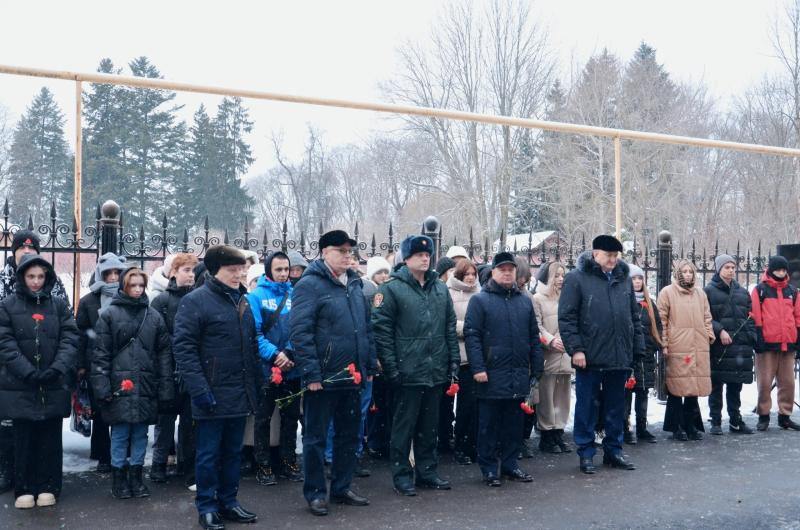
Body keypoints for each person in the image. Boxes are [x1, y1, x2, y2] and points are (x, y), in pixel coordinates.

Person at [173, 245, 261, 529]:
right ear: (215, 271)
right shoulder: (196, 301)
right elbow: (184, 350)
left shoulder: (243, 301)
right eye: (232, 271)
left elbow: (250, 345)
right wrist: (199, 389)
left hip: (238, 390)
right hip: (210, 392)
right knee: (209, 454)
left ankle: (229, 501)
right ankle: (207, 506)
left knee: (232, 452)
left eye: (241, 270)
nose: (239, 275)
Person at [290, 230, 376, 516]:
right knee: (315, 438)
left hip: (352, 376)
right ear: (325, 252)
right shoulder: (310, 285)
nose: (347, 255)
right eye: (341, 250)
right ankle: (315, 492)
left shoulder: (354, 283)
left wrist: (369, 364)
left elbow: (365, 328)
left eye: (350, 250)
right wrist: (312, 375)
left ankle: (341, 487)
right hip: (324, 378)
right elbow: (300, 333)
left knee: (348, 436)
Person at [372, 235, 459, 497]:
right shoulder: (390, 289)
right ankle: (401, 474)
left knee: (429, 426)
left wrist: (452, 361)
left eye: (427, 254)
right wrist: (391, 368)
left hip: (434, 370)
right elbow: (381, 332)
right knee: (403, 427)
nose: (425, 258)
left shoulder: (440, 288)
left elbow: (449, 328)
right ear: (406, 258)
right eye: (418, 254)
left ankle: (427, 471)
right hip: (406, 371)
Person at [558, 235, 643, 474]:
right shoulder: (577, 279)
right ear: (595, 254)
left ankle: (613, 450)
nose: (613, 261)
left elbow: (633, 317)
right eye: (608, 256)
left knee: (616, 407)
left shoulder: (623, 279)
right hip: (590, 356)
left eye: (616, 256)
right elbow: (567, 318)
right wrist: (576, 349)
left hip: (619, 356)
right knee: (587, 407)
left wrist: (637, 349)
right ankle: (586, 452)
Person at [0, 254, 78, 509]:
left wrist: (56, 368)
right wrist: (26, 371)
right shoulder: (8, 305)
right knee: (23, 439)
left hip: (52, 383)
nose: (35, 281)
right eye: (31, 276)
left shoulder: (58, 306)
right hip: (20, 384)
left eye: (40, 276)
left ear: (47, 278)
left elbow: (70, 338)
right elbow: (5, 342)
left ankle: (48, 485)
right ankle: (24, 487)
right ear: (23, 277)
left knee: (50, 438)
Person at [92, 267, 175, 500]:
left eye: (141, 285)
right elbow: (100, 354)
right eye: (133, 285)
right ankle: (119, 478)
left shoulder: (153, 316)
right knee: (119, 433)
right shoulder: (109, 315)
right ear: (124, 287)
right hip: (120, 384)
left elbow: (163, 355)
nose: (138, 289)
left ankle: (136, 477)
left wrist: (165, 387)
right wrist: (103, 387)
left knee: (140, 434)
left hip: (146, 384)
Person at [464, 252, 543, 487]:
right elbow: (472, 336)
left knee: (513, 424)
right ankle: (489, 468)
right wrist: (478, 367)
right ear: (494, 272)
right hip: (490, 373)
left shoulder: (524, 301)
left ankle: (510, 465)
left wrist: (536, 365)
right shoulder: (480, 300)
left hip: (518, 372)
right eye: (503, 269)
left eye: (511, 269)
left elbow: (533, 335)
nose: (507, 273)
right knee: (488, 424)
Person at [248, 251, 303, 486]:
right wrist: (275, 354)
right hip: (266, 368)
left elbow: (302, 327)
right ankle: (263, 464)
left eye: (286, 269)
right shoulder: (256, 296)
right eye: (278, 269)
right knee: (264, 418)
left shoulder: (296, 294)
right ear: (269, 270)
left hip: (292, 366)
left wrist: (289, 352)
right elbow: (255, 333)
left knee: (291, 418)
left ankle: (288, 461)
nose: (283, 274)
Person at [76, 253, 129, 475]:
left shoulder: (127, 297)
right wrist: (81, 365)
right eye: (109, 273)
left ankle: (121, 454)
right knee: (99, 411)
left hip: (123, 361)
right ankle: (102, 455)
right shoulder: (89, 300)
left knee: (122, 409)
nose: (113, 277)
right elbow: (79, 334)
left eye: (117, 272)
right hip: (96, 362)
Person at [149, 253, 198, 484]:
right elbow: (155, 337)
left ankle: (187, 466)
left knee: (190, 423)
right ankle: (158, 464)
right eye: (186, 270)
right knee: (165, 421)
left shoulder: (199, 299)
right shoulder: (161, 301)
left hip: (191, 369)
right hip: (167, 369)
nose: (190, 275)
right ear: (173, 272)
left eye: (193, 270)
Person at [657, 259, 714, 442]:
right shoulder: (667, 292)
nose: (688, 274)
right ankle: (677, 427)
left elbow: (707, 316)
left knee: (693, 387)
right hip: (678, 346)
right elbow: (662, 321)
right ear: (678, 273)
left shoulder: (700, 293)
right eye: (685, 271)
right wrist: (664, 344)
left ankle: (691, 425)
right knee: (677, 387)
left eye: (691, 271)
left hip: (698, 345)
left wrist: (708, 334)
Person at [704, 255, 757, 435]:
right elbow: (705, 317)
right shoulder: (708, 291)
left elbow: (750, 317)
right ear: (719, 269)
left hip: (739, 346)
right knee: (716, 384)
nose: (731, 270)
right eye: (727, 267)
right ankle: (716, 421)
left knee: (736, 385)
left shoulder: (742, 292)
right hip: (719, 347)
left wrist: (751, 336)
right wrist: (720, 331)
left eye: (733, 267)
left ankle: (735, 421)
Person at [752, 255, 800, 431]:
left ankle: (785, 416)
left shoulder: (793, 292)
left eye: (784, 269)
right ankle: (763, 415)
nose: (781, 272)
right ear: (771, 270)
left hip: (788, 345)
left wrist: (798, 340)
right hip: (767, 345)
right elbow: (756, 316)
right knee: (764, 382)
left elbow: (798, 317)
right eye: (778, 269)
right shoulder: (760, 290)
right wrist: (759, 340)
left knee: (788, 383)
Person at [533, 261, 574, 454]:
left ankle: (559, 431)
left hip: (565, 353)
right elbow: (536, 326)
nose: (560, 279)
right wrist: (549, 340)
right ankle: (546, 434)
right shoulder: (538, 298)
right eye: (556, 276)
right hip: (548, 354)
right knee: (547, 397)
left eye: (562, 275)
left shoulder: (567, 297)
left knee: (563, 396)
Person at [447, 259, 480, 465]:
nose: (470, 277)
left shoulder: (480, 293)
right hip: (459, 356)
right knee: (460, 406)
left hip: (477, 357)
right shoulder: (449, 292)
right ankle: (459, 445)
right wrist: (469, 327)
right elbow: (448, 322)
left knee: (474, 405)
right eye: (466, 273)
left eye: (473, 274)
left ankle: (472, 445)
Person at [625, 264, 662, 444]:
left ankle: (642, 427)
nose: (637, 282)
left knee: (643, 392)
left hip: (646, 356)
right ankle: (626, 428)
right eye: (634, 278)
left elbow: (658, 328)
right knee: (626, 394)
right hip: (629, 356)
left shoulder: (649, 304)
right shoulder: (624, 301)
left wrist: (655, 345)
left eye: (640, 278)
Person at [365, 256, 394, 460]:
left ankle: (384, 439)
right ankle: (374, 441)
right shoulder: (369, 293)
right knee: (375, 404)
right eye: (379, 272)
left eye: (386, 272)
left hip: (388, 354)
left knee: (386, 403)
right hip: (375, 355)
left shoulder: (389, 292)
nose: (383, 276)